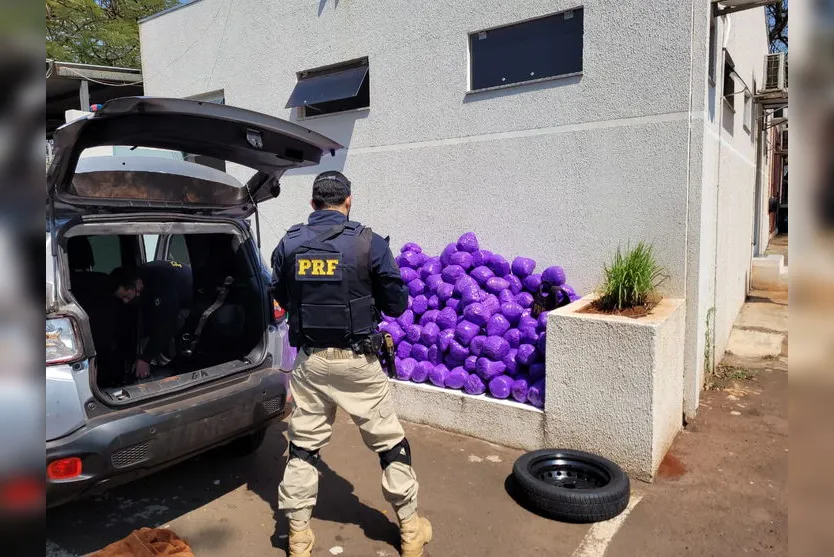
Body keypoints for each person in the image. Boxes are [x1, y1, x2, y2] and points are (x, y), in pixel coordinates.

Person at [271, 171, 432, 557]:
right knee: (391, 444)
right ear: (348, 202)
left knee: (303, 450)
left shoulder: (289, 244)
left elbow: (279, 294)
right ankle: (411, 531)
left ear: (313, 205)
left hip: (310, 363)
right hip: (358, 361)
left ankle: (298, 538)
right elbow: (396, 305)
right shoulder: (368, 244)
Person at [110, 260, 193, 380]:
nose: (125, 301)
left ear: (137, 283)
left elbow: (166, 322)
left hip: (193, 298)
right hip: (172, 295)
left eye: (126, 296)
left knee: (175, 322)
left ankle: (171, 364)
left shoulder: (160, 279)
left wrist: (145, 359)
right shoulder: (140, 280)